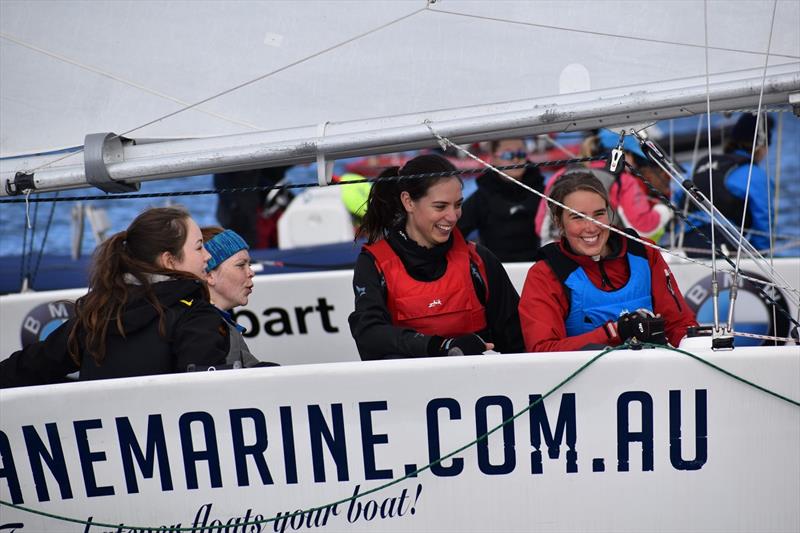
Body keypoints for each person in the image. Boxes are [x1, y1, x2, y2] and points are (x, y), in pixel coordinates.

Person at [1, 207, 230, 387]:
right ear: (169, 260)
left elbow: (32, 365)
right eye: (199, 247)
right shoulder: (195, 315)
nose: (208, 256)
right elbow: (205, 391)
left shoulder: (99, 313)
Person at [348, 154, 525, 360]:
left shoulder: (478, 260)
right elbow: (369, 334)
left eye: (458, 205)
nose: (452, 217)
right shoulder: (374, 264)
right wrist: (441, 346)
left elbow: (518, 341)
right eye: (440, 207)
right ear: (408, 202)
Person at [520, 170, 697, 353]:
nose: (591, 227)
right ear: (559, 223)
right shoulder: (545, 275)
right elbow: (542, 350)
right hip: (589, 379)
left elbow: (679, 324)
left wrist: (693, 342)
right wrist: (614, 332)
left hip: (651, 374)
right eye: (577, 217)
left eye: (599, 214)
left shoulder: (643, 252)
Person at [535, 130, 672, 245]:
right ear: (624, 154)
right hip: (603, 255)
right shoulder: (623, 180)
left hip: (562, 254)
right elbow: (644, 227)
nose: (636, 165)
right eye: (636, 158)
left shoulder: (560, 174)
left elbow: (541, 227)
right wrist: (664, 210)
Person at [682, 112, 775, 254]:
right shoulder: (754, 175)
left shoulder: (701, 164)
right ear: (761, 146)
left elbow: (679, 198)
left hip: (686, 244)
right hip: (723, 246)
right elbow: (763, 222)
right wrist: (762, 254)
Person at [458, 138, 545, 261]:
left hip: (537, 268)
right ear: (493, 158)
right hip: (496, 271)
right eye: (508, 154)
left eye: (520, 153)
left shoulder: (541, 192)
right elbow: (456, 232)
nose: (516, 159)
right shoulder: (482, 196)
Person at [201, 226, 277, 368]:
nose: (251, 273)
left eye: (250, 264)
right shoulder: (203, 329)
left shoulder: (216, 323)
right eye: (241, 265)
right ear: (209, 275)